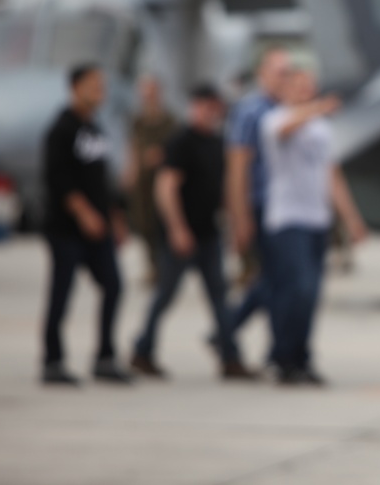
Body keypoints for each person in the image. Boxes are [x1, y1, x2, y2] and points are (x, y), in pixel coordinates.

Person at [129, 84, 254, 380]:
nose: (210, 112)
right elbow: (166, 187)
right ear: (194, 107)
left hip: (209, 233)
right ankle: (142, 350)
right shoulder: (181, 141)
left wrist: (236, 226)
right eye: (204, 106)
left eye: (214, 107)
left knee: (220, 297)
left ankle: (230, 359)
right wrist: (177, 229)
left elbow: (223, 191)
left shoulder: (216, 142)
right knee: (165, 295)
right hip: (182, 235)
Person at [260, 66, 367, 384]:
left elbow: (331, 175)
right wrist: (317, 107)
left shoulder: (321, 128)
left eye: (310, 86)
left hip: (316, 218)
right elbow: (286, 130)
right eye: (299, 86)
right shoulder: (274, 119)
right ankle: (282, 356)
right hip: (287, 217)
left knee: (311, 294)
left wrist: (351, 218)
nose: (305, 91)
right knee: (296, 289)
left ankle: (301, 357)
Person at [40, 63, 131, 385]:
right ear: (75, 87)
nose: (99, 91)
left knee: (114, 286)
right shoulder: (61, 129)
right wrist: (84, 213)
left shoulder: (95, 129)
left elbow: (102, 182)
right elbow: (58, 179)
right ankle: (52, 361)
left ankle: (105, 356)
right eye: (93, 85)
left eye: (101, 86)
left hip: (100, 228)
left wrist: (115, 218)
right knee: (62, 293)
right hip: (67, 229)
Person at [223, 48, 290, 361]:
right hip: (260, 205)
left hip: (283, 208)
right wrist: (240, 216)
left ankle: (229, 330)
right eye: (278, 72)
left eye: (288, 72)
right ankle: (270, 348)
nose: (284, 79)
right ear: (262, 75)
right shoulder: (252, 111)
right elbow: (238, 167)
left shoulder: (287, 110)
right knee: (275, 279)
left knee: (276, 279)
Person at [123, 75, 177, 286]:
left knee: (160, 222)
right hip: (142, 181)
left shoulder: (169, 120)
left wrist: (159, 155)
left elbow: (175, 148)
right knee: (143, 223)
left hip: (162, 178)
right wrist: (130, 169)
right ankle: (153, 267)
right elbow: (133, 146)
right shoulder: (137, 120)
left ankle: (165, 268)